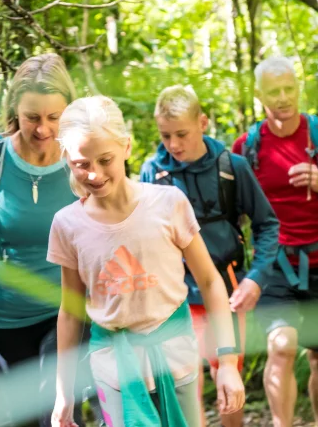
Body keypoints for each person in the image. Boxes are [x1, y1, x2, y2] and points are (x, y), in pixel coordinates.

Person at [48, 96, 245, 427]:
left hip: (177, 357)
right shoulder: (67, 224)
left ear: (126, 147)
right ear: (67, 159)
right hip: (113, 367)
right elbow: (70, 311)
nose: (93, 174)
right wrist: (63, 393)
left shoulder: (168, 203)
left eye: (104, 159)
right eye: (81, 164)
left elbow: (211, 282)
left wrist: (227, 362)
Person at [0, 53, 93, 427]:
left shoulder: (84, 162)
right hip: (3, 322)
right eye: (32, 117)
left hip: (66, 314)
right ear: (15, 108)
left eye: (53, 117)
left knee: (57, 416)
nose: (43, 129)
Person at [233, 56, 318, 427]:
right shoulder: (247, 146)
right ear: (259, 95)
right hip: (273, 264)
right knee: (282, 347)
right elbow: (233, 212)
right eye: (273, 91)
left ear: (299, 88)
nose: (282, 98)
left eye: (288, 88)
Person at [140, 84, 280, 427]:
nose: (173, 145)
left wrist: (256, 278)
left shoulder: (231, 168)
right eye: (165, 135)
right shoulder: (153, 173)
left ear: (203, 123)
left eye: (182, 134)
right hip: (173, 293)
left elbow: (268, 226)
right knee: (183, 382)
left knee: (228, 377)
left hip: (226, 289)